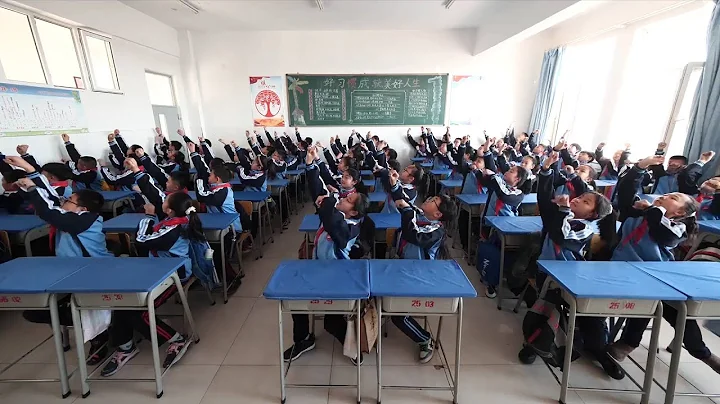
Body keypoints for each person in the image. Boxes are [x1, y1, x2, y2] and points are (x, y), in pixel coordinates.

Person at [605, 156, 720, 372]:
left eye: (672, 197)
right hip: (620, 269)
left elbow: (661, 233)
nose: (665, 196)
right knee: (648, 300)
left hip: (656, 275)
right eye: (665, 194)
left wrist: (653, 209)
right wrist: (640, 168)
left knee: (675, 308)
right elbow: (627, 190)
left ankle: (701, 352)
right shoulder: (637, 214)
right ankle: (629, 342)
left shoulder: (676, 228)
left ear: (679, 213)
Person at [519, 151, 622, 379]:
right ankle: (534, 344)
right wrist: (546, 169)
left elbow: (560, 236)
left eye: (585, 202)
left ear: (593, 215)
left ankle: (601, 352)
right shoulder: (561, 215)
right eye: (580, 197)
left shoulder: (585, 228)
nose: (576, 199)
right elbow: (544, 201)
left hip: (572, 278)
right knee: (544, 308)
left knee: (588, 315)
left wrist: (563, 210)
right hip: (548, 274)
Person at [8, 156, 114, 365]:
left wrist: (31, 190)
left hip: (93, 272)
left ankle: (100, 336)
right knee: (36, 310)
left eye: (69, 200)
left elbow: (49, 211)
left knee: (80, 306)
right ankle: (83, 324)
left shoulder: (84, 221)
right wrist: (30, 170)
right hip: (69, 271)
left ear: (82, 208)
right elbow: (50, 199)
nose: (63, 201)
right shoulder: (73, 214)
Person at [283, 146, 369, 365]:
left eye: (349, 200)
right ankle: (303, 339)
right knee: (297, 300)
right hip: (318, 267)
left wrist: (328, 199)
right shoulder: (339, 213)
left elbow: (331, 221)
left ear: (354, 212)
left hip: (337, 274)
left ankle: (353, 347)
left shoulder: (350, 225)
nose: (344, 197)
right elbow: (319, 198)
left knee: (331, 322)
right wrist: (311, 165)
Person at [100, 192, 200, 376]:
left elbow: (142, 241)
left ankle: (176, 339)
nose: (160, 201)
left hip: (172, 275)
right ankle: (125, 346)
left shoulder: (175, 227)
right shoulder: (174, 221)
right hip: (154, 270)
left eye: (165, 201)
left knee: (139, 311)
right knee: (122, 300)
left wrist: (148, 217)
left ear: (169, 210)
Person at [388, 169, 456, 363]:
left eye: (434, 200)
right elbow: (403, 203)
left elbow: (413, 235)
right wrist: (394, 185)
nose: (429, 198)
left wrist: (407, 210)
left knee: (398, 316)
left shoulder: (436, 231)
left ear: (438, 213)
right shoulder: (421, 215)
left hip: (418, 275)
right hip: (403, 268)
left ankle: (425, 339)